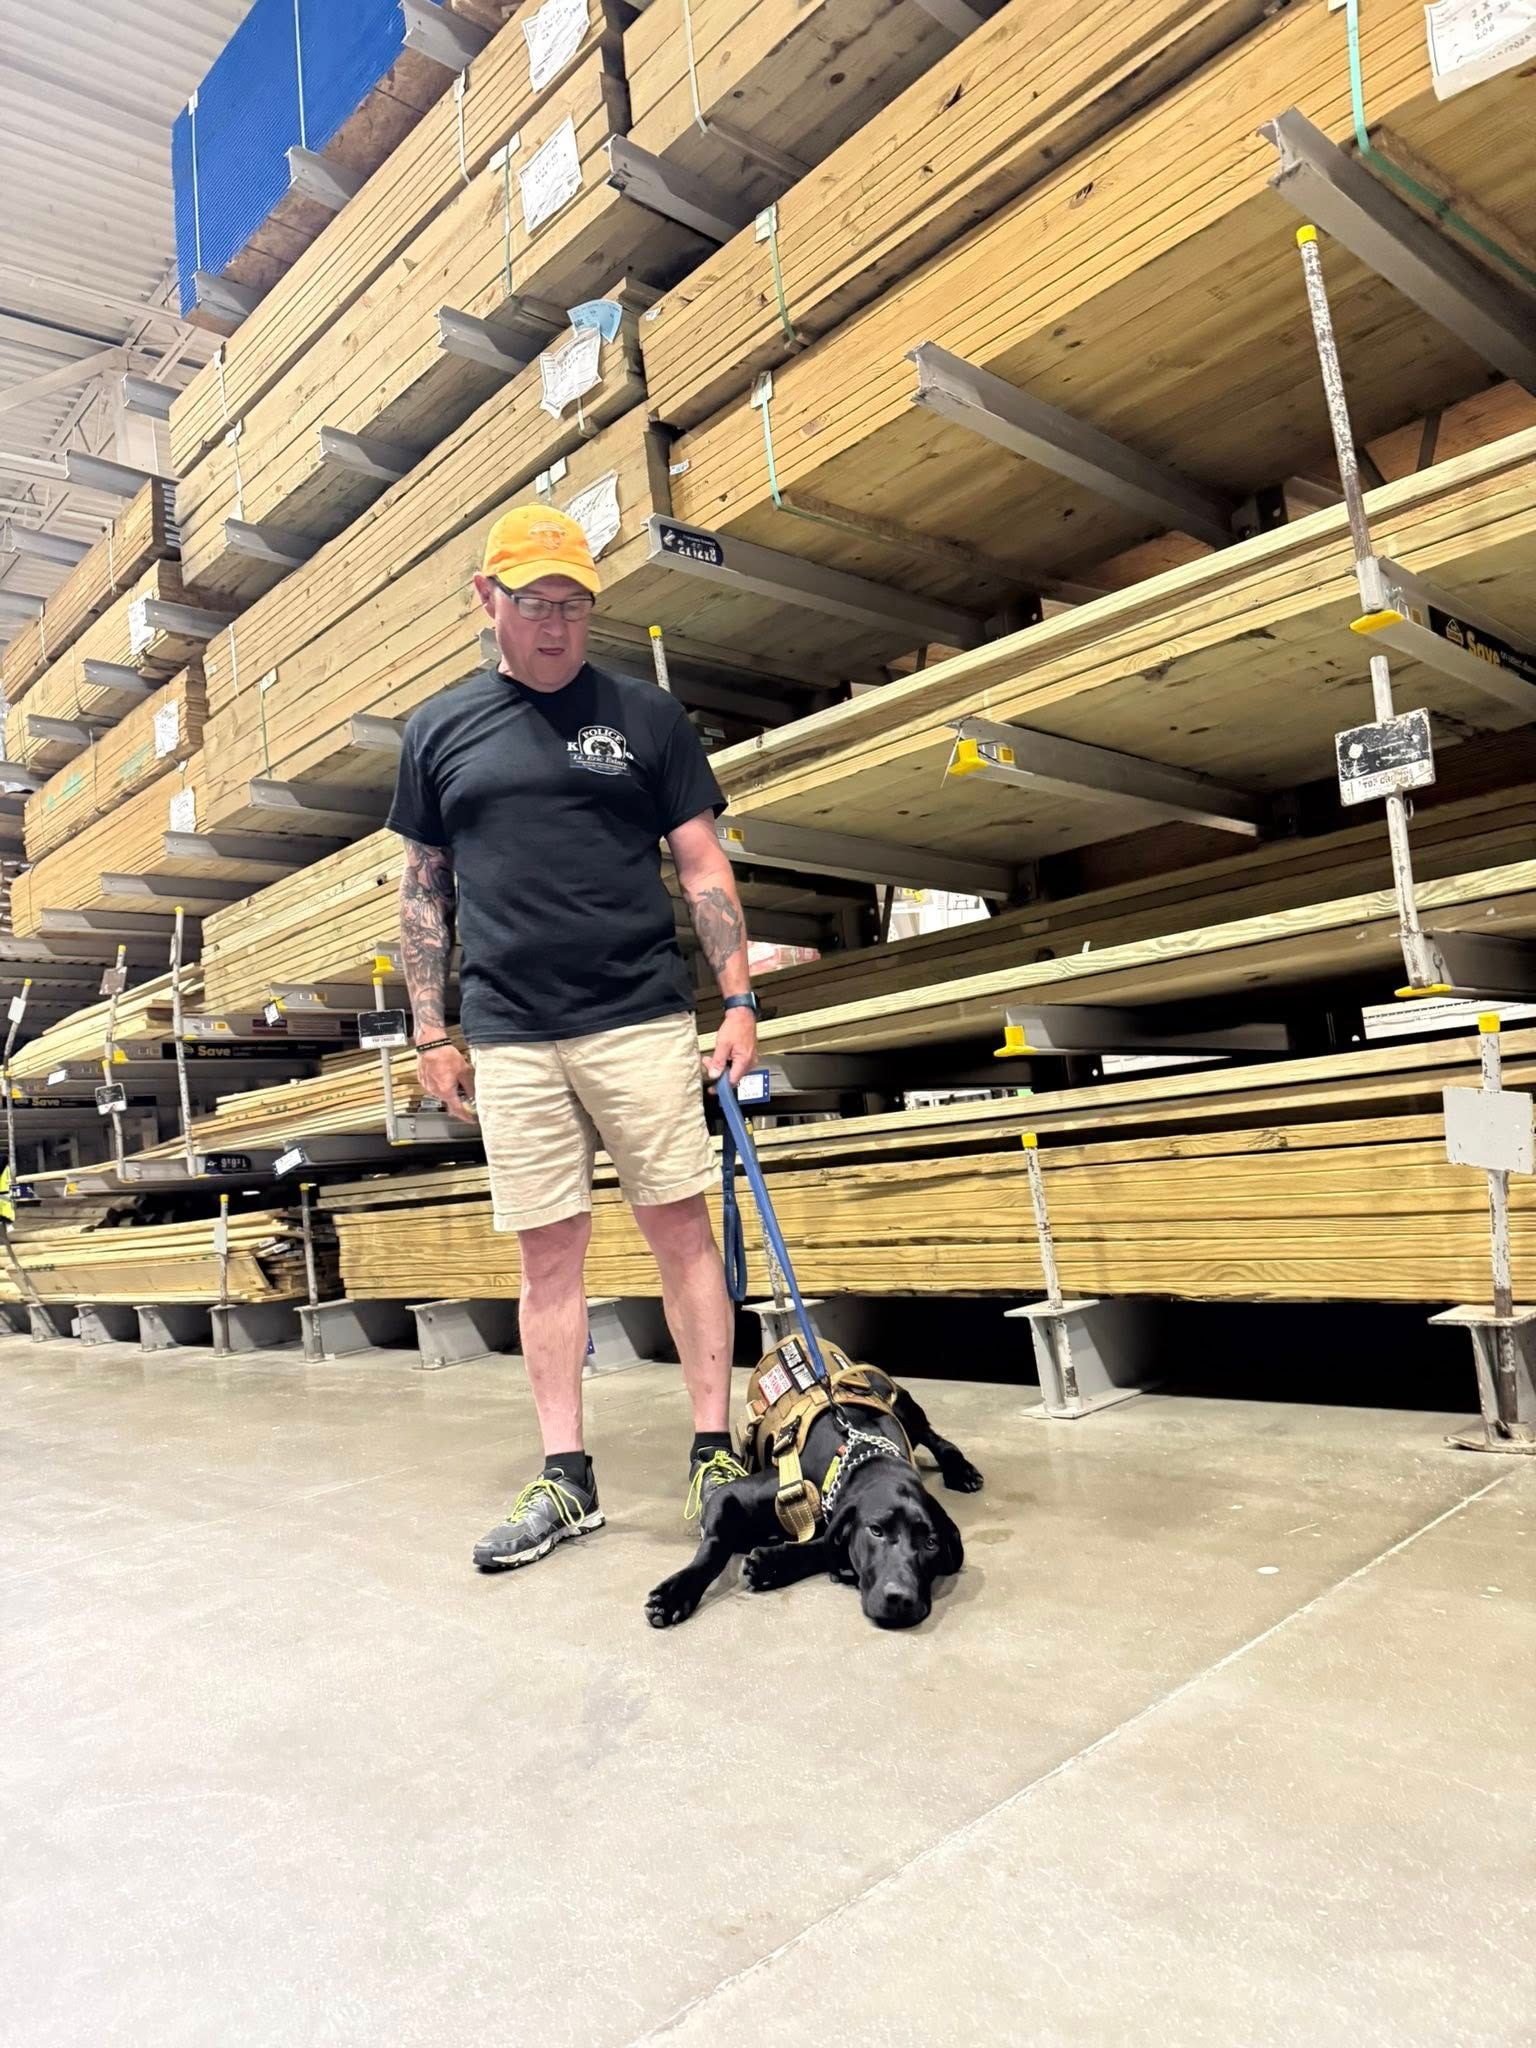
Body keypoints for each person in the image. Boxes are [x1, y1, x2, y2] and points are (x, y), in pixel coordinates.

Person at [386, 504, 759, 1574]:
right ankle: (567, 1475)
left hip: (638, 1015)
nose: (556, 625)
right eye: (534, 603)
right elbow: (424, 890)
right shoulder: (438, 730)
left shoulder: (646, 716)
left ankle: (713, 1452)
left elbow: (702, 863)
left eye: (574, 605)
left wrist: (738, 1001)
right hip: (510, 1034)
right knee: (548, 1256)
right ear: (487, 600)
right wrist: (430, 1029)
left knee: (680, 1231)